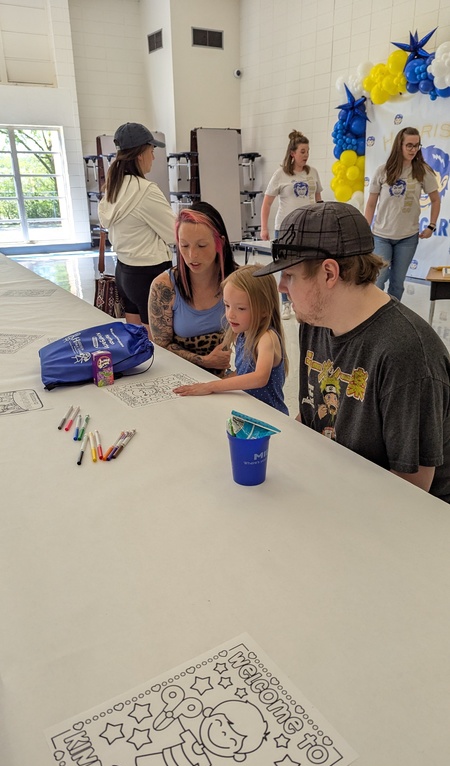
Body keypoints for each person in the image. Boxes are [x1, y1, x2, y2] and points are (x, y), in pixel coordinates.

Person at [253, 202, 450, 503]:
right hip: (335, 482)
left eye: (290, 275)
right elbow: (309, 416)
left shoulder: (407, 355)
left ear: (329, 273)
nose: (281, 287)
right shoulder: (317, 320)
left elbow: (412, 489)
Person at [174, 263, 289, 414]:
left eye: (241, 308)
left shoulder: (267, 338)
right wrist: (210, 386)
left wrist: (211, 387)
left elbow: (260, 377)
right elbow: (242, 373)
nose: (230, 315)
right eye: (227, 306)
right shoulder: (243, 333)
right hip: (248, 412)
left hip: (271, 419)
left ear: (264, 311)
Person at [98, 122, 176, 333]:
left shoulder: (113, 187)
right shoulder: (146, 191)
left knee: (136, 341)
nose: (154, 156)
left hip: (125, 272)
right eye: (152, 150)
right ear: (141, 153)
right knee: (157, 346)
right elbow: (174, 233)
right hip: (150, 275)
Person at [149, 201, 236, 375]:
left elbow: (261, 340)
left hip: (225, 381)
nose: (192, 255)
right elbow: (161, 346)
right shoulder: (164, 287)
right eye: (184, 245)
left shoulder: (238, 281)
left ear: (221, 243)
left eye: (202, 245)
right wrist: (206, 361)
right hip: (178, 377)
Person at [364, 126, 440, 301]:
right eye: (409, 145)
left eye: (417, 146)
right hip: (381, 236)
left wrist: (431, 225)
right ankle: (371, 317)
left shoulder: (423, 171)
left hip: (408, 238)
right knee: (378, 280)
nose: (413, 150)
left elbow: (435, 199)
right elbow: (371, 204)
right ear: (400, 145)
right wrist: (365, 229)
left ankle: (393, 320)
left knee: (397, 283)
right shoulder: (383, 171)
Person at [260, 130, 322, 319]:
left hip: (309, 227)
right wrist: (264, 227)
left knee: (308, 265)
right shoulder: (281, 174)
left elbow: (319, 200)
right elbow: (267, 203)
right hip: (286, 228)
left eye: (308, 151)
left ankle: (306, 299)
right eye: (303, 151)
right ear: (292, 153)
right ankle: (286, 303)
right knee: (286, 265)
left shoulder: (312, 173)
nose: (306, 155)